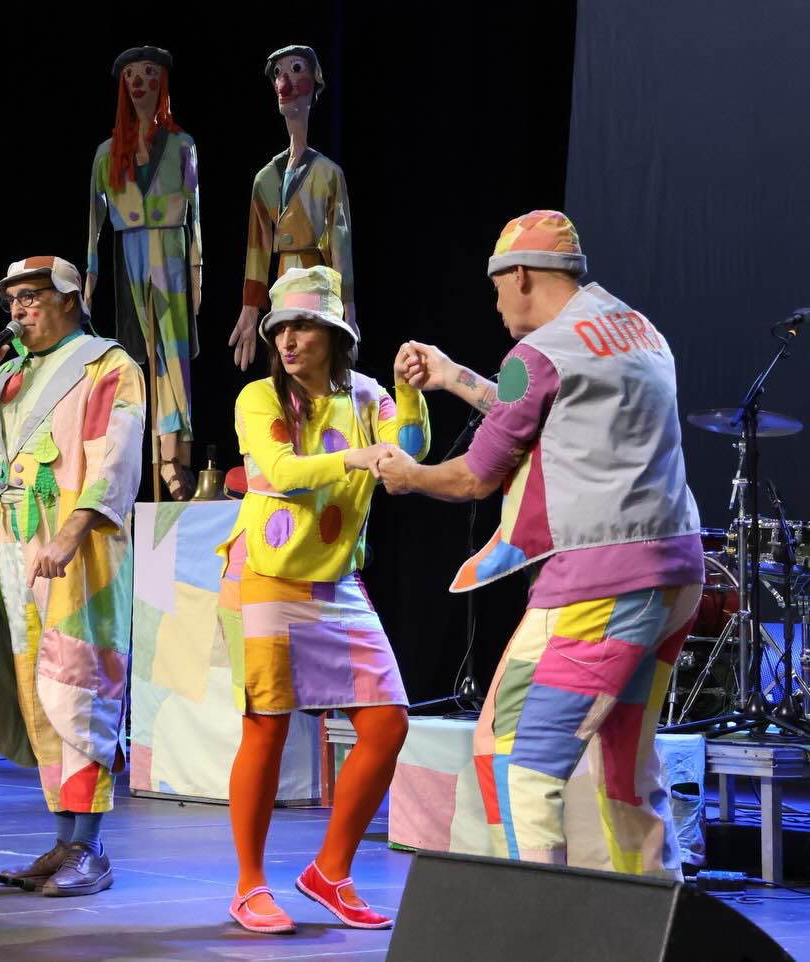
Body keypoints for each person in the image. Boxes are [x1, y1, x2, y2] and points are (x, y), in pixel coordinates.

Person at [374, 210, 704, 876]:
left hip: (600, 582)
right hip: (676, 572)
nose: (495, 305)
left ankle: (541, 935)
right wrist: (450, 374)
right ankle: (657, 929)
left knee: (513, 758)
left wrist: (407, 476)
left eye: (496, 287)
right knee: (626, 770)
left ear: (519, 275)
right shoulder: (635, 330)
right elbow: (541, 416)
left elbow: (473, 476)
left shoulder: (537, 353)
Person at [219, 264, 429, 933]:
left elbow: (409, 459)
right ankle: (249, 884)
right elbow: (278, 474)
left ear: (334, 334)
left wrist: (410, 391)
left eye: (303, 325)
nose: (288, 339)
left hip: (337, 581)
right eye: (280, 327)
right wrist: (358, 459)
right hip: (269, 576)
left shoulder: (368, 397)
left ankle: (329, 872)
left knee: (387, 721)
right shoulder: (259, 399)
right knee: (268, 725)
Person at [0, 256, 146, 896]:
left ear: (70, 299)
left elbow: (114, 462)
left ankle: (91, 849)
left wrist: (66, 536)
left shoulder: (107, 365)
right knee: (38, 699)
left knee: (77, 691)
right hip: (10, 553)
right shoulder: (4, 374)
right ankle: (64, 842)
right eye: (12, 301)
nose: (18, 311)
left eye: (31, 298)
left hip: (77, 556)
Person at [86, 45, 202, 499]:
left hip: (170, 250)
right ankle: (148, 458)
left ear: (162, 83)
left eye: (149, 73)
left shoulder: (182, 145)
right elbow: (93, 223)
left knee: (173, 359)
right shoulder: (105, 154)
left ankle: (173, 455)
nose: (139, 81)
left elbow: (195, 215)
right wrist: (91, 278)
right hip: (130, 250)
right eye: (131, 74)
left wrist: (196, 270)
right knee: (140, 356)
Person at [229, 45, 357, 374]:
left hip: (317, 278)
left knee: (313, 361)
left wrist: (348, 309)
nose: (284, 80)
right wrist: (250, 307)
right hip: (283, 278)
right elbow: (257, 248)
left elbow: (340, 246)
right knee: (285, 362)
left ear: (314, 85)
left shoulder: (329, 174)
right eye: (277, 73)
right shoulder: (265, 179)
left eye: (295, 69)